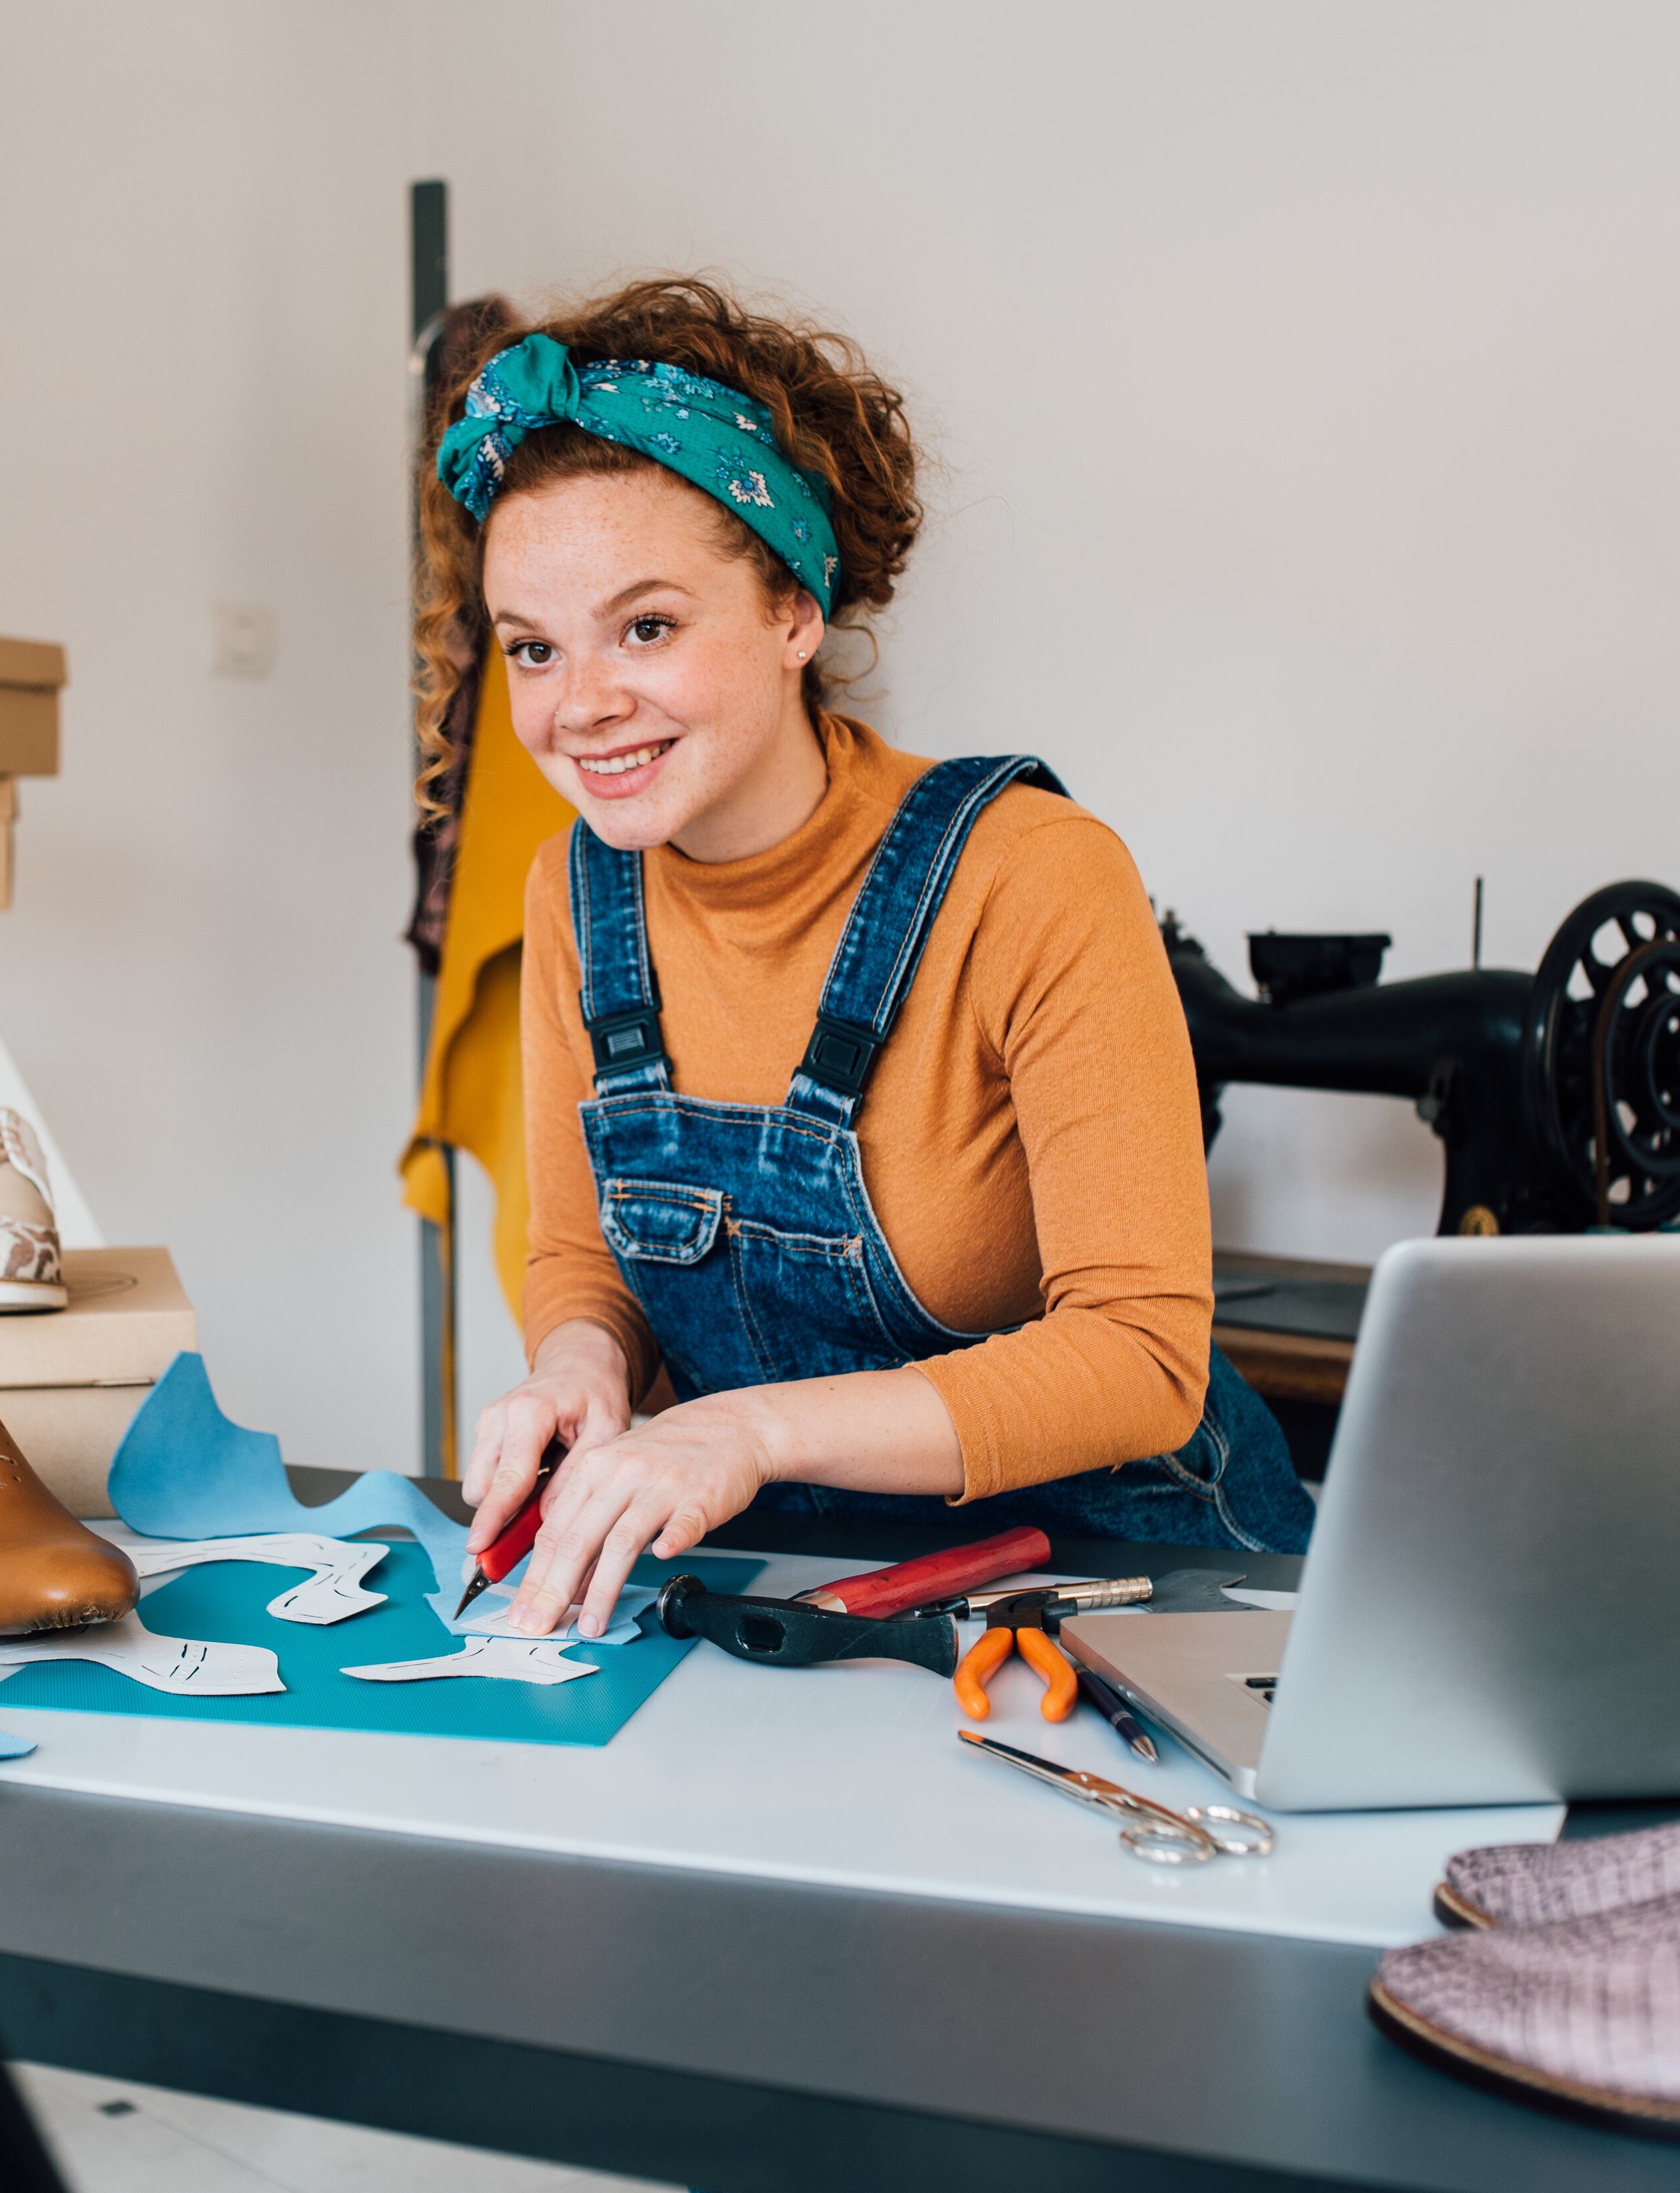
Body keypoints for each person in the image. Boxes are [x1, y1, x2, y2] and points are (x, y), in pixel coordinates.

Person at [426, 277, 1316, 1643]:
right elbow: (576, 1253)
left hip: (1145, 1578)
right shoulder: (573, 887)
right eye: (533, 648)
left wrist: (743, 1433)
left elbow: (1141, 1361)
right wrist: (578, 1363)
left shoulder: (1030, 872)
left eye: (646, 627)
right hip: (805, 1587)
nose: (578, 705)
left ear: (794, 608)